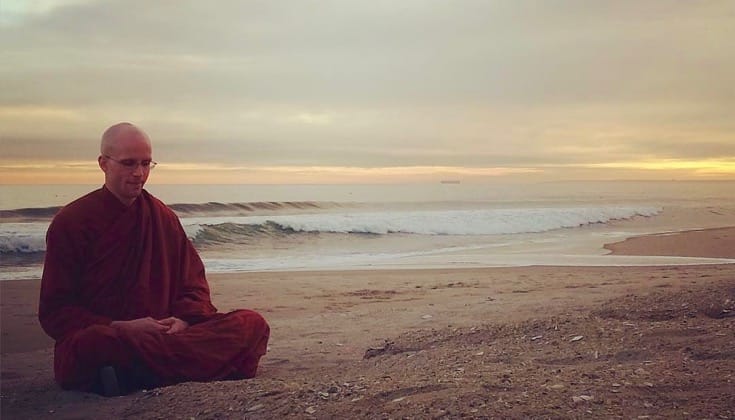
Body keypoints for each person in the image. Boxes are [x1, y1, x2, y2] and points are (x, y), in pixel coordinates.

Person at [38, 122, 270, 396]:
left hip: (163, 333)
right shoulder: (72, 222)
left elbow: (193, 284)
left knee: (251, 323)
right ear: (103, 164)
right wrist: (121, 327)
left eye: (146, 164)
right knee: (92, 344)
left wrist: (182, 320)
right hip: (114, 336)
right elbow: (55, 312)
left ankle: (130, 376)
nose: (139, 173)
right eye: (128, 163)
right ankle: (194, 367)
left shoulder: (162, 217)